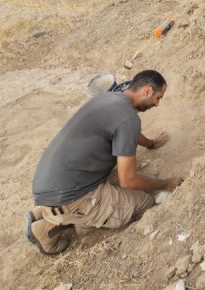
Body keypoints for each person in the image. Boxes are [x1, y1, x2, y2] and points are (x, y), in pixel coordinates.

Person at [24, 70, 184, 255]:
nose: (157, 104)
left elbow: (126, 130)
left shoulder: (110, 97)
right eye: (158, 97)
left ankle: (45, 212)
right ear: (147, 91)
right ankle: (49, 228)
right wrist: (165, 184)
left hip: (50, 183)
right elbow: (128, 181)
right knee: (145, 203)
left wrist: (151, 143)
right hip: (69, 195)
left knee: (124, 179)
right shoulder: (128, 118)